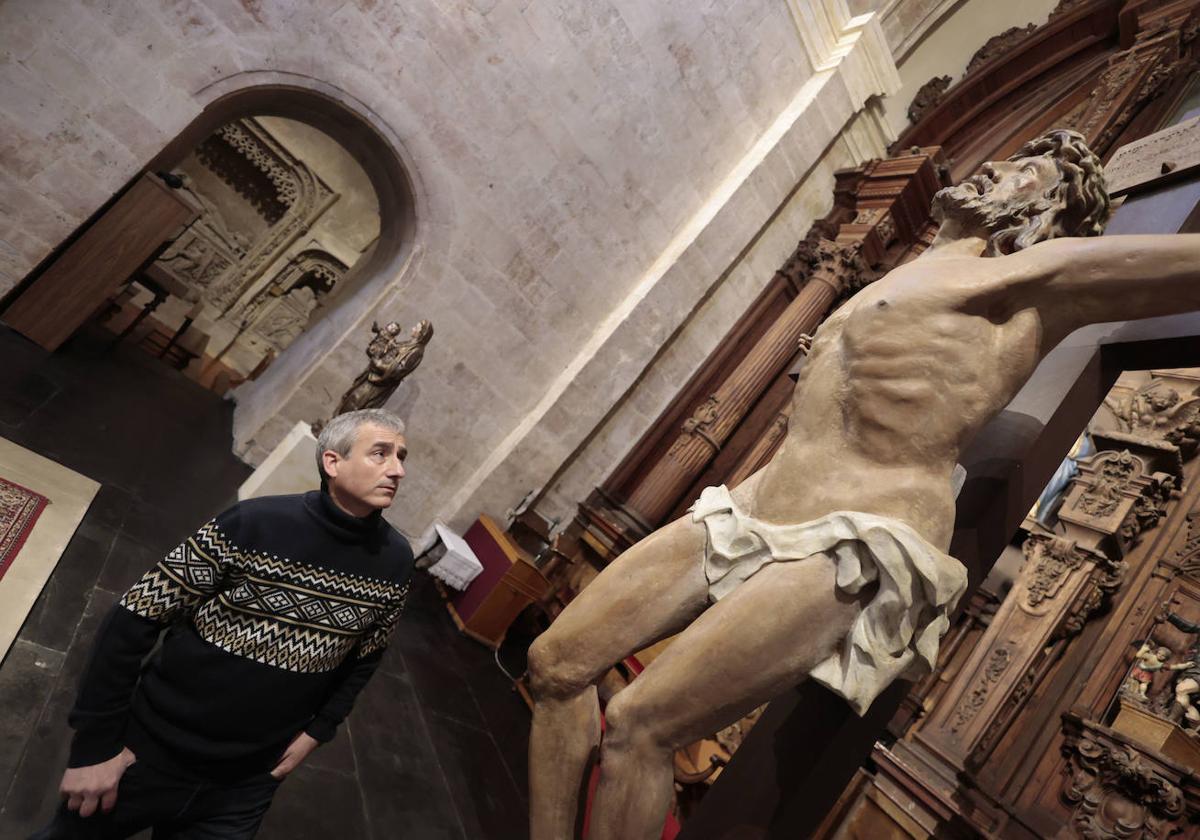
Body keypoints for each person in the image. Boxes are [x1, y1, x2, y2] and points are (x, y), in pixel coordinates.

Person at [526, 128, 1200, 839]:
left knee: (639, 724)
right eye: (1006, 159)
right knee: (555, 664)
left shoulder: (1034, 278)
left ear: (1046, 212)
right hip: (759, 501)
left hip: (862, 533)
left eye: (1025, 172)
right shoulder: (905, 273)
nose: (996, 169)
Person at [32, 408, 414, 839]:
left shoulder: (395, 561)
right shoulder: (254, 523)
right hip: (149, 753)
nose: (397, 470)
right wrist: (94, 748)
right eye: (380, 454)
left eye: (401, 456)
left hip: (246, 783)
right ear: (332, 462)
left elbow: (366, 658)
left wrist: (317, 730)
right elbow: (134, 620)